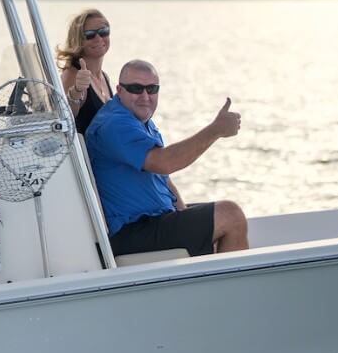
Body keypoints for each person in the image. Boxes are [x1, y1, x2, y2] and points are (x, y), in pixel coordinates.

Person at [85, 59, 249, 257]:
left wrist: (183, 212)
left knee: (218, 220)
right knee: (231, 215)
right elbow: (164, 162)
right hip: (131, 231)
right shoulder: (114, 124)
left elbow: (163, 178)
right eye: (136, 88)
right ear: (119, 90)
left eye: (152, 89)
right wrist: (215, 130)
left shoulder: (139, 120)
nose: (145, 96)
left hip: (153, 219)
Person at [56, 8, 115, 134]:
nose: (98, 38)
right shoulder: (72, 74)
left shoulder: (104, 76)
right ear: (78, 41)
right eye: (90, 35)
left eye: (103, 31)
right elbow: (63, 117)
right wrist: (76, 91)